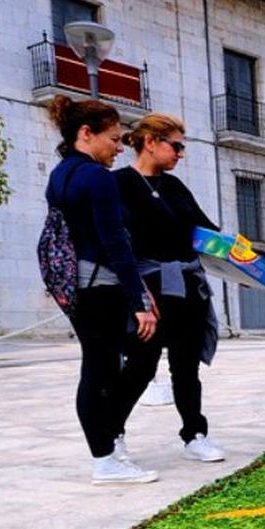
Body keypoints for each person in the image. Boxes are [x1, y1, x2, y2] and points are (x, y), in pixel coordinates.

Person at [45, 95, 158, 483]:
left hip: (76, 284)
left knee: (99, 366)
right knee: (103, 368)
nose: (119, 147)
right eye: (113, 139)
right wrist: (139, 299)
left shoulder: (60, 174)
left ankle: (107, 449)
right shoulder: (97, 177)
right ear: (86, 134)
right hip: (100, 284)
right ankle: (106, 457)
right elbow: (115, 242)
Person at [117, 113, 224, 462]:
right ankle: (112, 434)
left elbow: (207, 233)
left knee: (186, 366)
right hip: (148, 291)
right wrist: (136, 297)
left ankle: (194, 434)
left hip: (187, 289)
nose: (180, 153)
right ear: (150, 142)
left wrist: (245, 265)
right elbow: (117, 243)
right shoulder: (120, 184)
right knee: (141, 366)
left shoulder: (176, 187)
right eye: (175, 146)